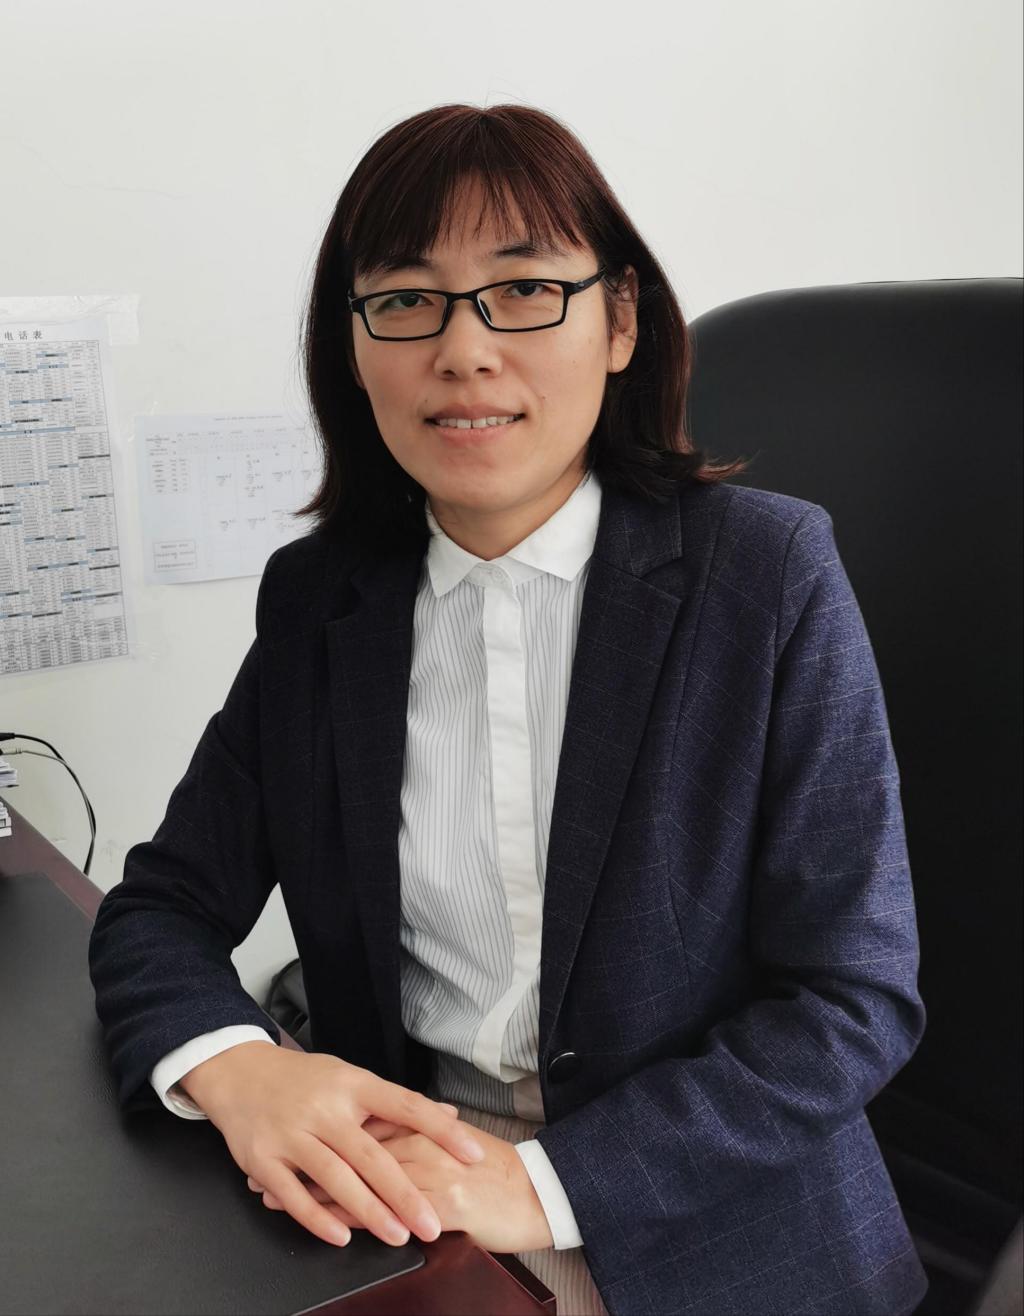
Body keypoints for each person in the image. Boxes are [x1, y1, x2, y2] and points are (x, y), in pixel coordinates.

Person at [88, 103, 930, 1316]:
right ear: (353, 343)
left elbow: (851, 1001)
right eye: (405, 298)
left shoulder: (766, 575)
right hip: (409, 1214)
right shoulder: (323, 602)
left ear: (620, 319)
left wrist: (541, 1180)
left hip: (714, 1229)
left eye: (525, 289)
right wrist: (239, 1066)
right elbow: (163, 903)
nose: (464, 349)